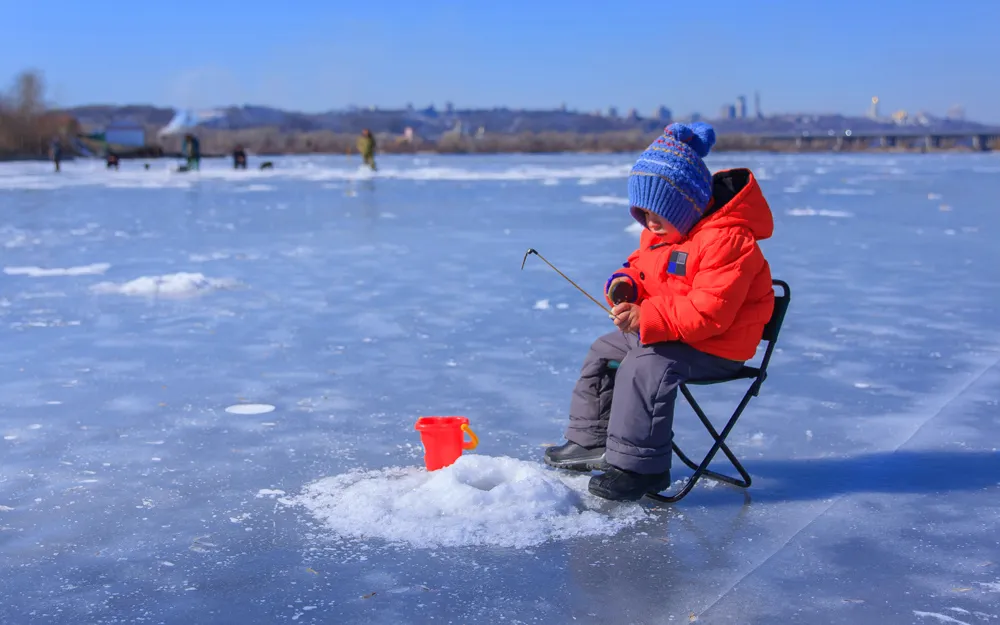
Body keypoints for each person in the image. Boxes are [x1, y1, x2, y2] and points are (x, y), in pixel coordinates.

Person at [543, 122, 775, 501]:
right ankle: (593, 442)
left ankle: (641, 468)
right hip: (674, 335)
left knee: (645, 365)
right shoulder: (662, 234)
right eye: (642, 211)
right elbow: (638, 268)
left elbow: (708, 314)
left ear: (686, 205)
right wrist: (624, 286)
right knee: (605, 350)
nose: (648, 221)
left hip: (717, 347)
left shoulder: (728, 241)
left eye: (658, 211)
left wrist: (645, 318)